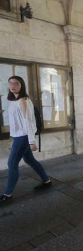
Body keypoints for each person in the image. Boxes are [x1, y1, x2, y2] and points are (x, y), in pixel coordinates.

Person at [0, 76, 52, 205]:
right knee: (29, 159)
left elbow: (29, 121)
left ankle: (8, 194)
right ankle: (47, 181)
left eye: (16, 83)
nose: (13, 86)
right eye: (10, 83)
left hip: (23, 136)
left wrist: (31, 141)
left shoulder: (23, 100)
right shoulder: (13, 100)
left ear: (21, 85)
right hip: (18, 135)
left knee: (12, 163)